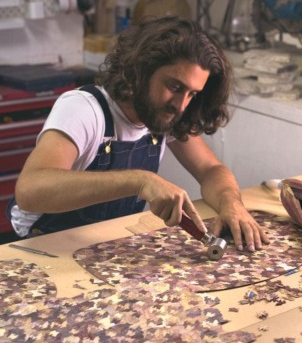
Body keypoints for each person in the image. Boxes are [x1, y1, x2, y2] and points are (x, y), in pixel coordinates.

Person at [9, 16, 269, 252]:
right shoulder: (84, 109)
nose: (181, 105)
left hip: (105, 244)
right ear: (139, 71)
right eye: (174, 86)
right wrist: (141, 181)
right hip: (43, 246)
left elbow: (211, 169)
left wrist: (230, 203)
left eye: (192, 94)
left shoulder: (164, 113)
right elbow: (31, 190)